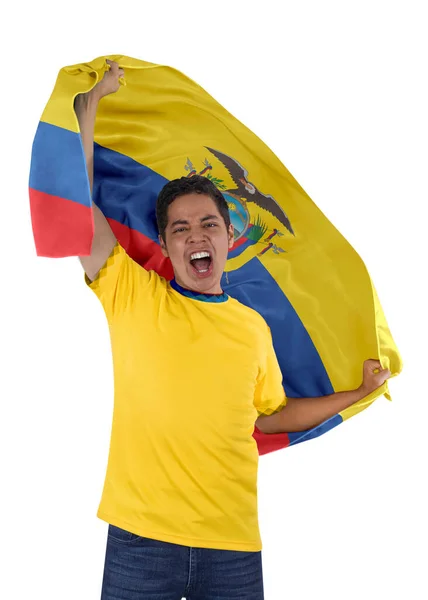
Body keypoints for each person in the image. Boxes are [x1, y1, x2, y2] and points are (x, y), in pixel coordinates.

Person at [74, 60, 391, 600]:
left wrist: (356, 394)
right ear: (166, 242)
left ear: (229, 236)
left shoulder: (252, 327)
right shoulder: (130, 293)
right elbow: (78, 214)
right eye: (181, 227)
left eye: (208, 224)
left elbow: (272, 414)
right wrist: (90, 110)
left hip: (233, 545)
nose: (196, 235)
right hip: (140, 541)